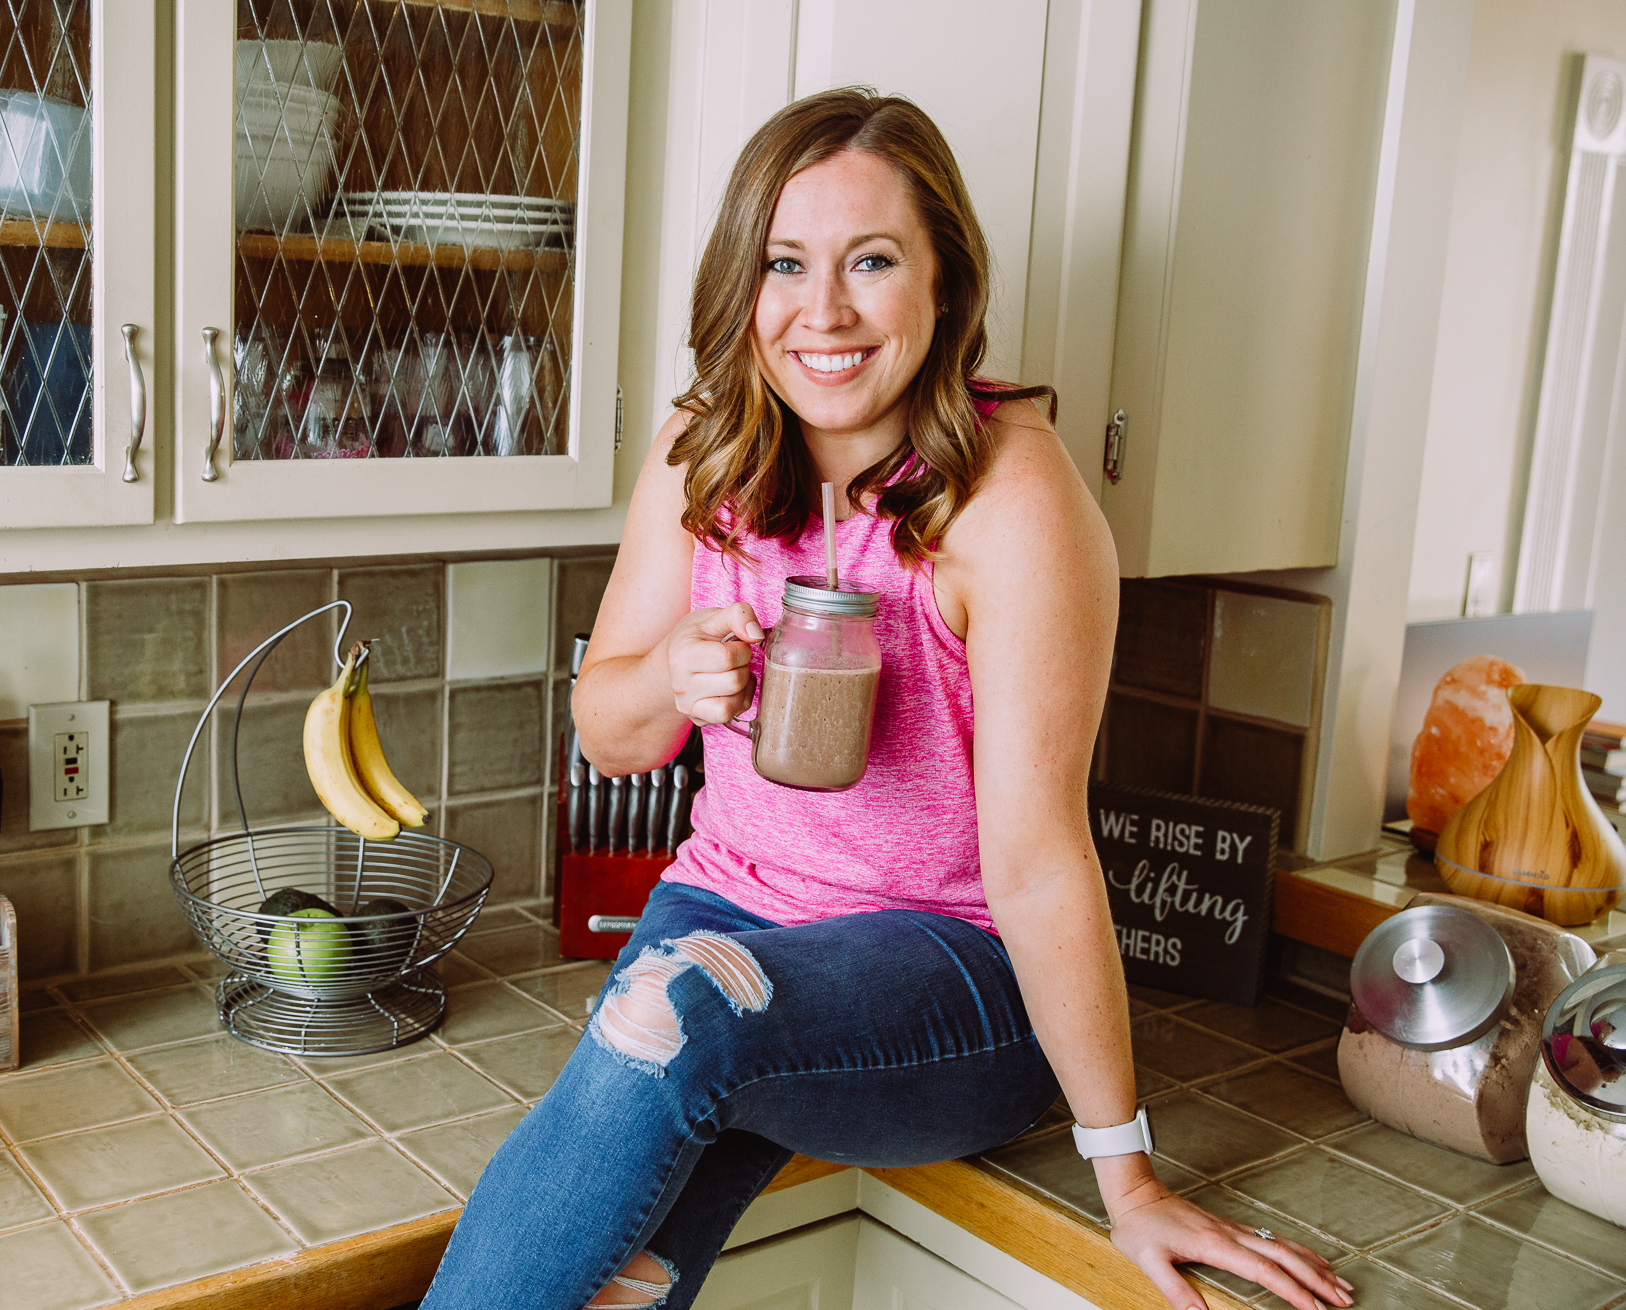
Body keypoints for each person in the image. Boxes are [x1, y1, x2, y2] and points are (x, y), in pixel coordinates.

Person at [418, 88, 1353, 1310]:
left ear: (942, 285)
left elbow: (1036, 861)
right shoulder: (702, 448)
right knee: (616, 1285)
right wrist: (669, 674)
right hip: (724, 919)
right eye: (784, 264)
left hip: (951, 973)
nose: (824, 311)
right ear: (742, 285)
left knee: (675, 1009)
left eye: (871, 261)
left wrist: (1127, 1180)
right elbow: (610, 730)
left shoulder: (1008, 497)